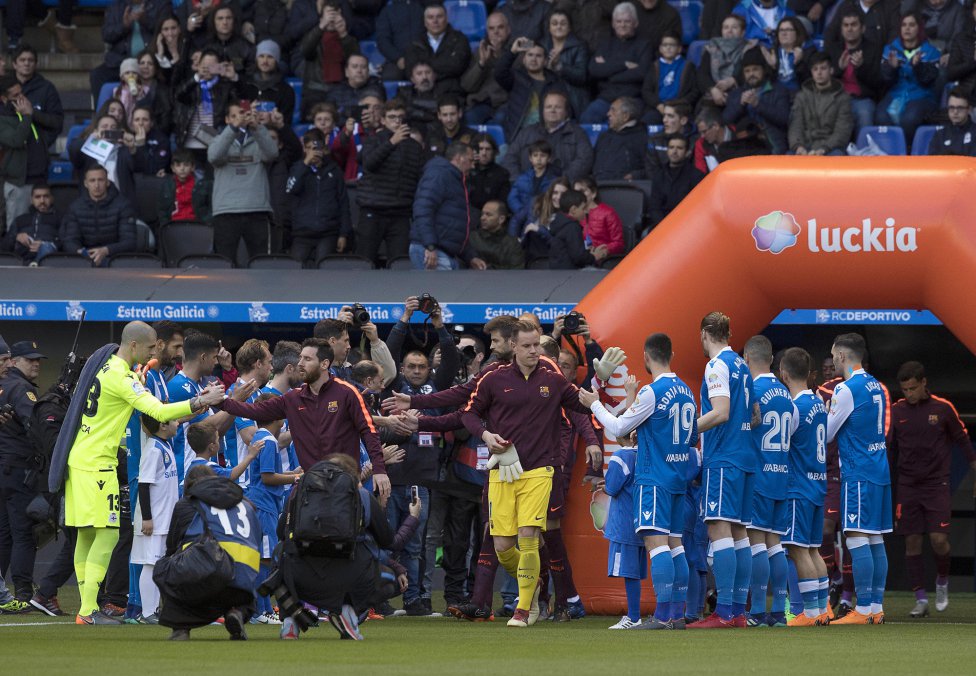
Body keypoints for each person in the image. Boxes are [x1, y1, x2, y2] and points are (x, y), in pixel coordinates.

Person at [61, 321, 225, 625]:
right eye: (151, 347)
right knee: (108, 534)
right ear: (134, 346)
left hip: (80, 457)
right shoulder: (123, 378)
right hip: (97, 462)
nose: (156, 351)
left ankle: (86, 610)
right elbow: (159, 413)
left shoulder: (105, 366)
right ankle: (87, 611)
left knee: (86, 534)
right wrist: (202, 401)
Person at [460, 320, 593, 627]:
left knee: (529, 537)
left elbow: (581, 406)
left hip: (539, 471)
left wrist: (603, 390)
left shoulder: (554, 381)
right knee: (503, 547)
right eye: (528, 346)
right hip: (503, 472)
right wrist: (485, 436)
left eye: (537, 345)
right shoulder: (493, 379)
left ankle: (522, 609)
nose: (535, 351)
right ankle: (529, 588)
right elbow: (468, 413)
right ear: (513, 347)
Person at [582, 332, 698, 629]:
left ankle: (661, 617)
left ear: (646, 357)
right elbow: (692, 436)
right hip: (676, 480)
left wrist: (595, 404)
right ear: (670, 355)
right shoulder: (686, 391)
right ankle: (677, 615)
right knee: (676, 547)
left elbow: (618, 426)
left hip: (654, 479)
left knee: (657, 546)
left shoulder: (652, 391)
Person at [217, 338, 391, 500]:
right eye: (300, 358)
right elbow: (255, 410)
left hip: (344, 487)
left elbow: (369, 430)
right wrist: (221, 402)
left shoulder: (347, 392)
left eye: (307, 359)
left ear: (324, 364)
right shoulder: (293, 398)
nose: (300, 363)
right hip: (310, 489)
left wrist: (379, 469)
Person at [383, 298, 460, 615]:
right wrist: (405, 317)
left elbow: (453, 361)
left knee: (416, 545)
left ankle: (415, 601)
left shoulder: (436, 392)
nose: (416, 371)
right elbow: (387, 353)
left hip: (422, 483)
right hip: (390, 480)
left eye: (421, 367)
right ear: (401, 370)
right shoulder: (394, 387)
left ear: (430, 370)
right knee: (387, 542)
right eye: (410, 367)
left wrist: (439, 324)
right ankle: (381, 599)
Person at [887, 361, 974, 617]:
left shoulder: (943, 408)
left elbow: (963, 440)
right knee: (912, 542)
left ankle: (942, 580)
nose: (909, 394)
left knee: (939, 541)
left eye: (913, 388)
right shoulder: (897, 411)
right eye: (905, 390)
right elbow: (889, 449)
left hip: (937, 484)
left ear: (924, 383)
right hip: (907, 486)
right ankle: (921, 599)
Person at [689, 311, 755, 628]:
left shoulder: (717, 365)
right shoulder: (742, 364)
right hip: (745, 457)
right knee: (740, 535)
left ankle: (725, 613)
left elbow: (721, 412)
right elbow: (754, 415)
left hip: (724, 458)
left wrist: (686, 434)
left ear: (704, 334)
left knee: (719, 529)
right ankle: (737, 611)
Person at [825, 333, 892, 625]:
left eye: (833, 356)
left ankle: (864, 608)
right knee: (874, 537)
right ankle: (874, 606)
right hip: (878, 469)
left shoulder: (846, 389)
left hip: (857, 473)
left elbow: (827, 433)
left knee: (855, 537)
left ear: (841, 356)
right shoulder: (876, 385)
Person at [159, 465, 262, 640]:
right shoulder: (247, 504)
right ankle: (237, 612)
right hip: (241, 583)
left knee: (166, 566)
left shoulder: (187, 504)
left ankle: (181, 626)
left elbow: (172, 546)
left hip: (203, 578)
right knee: (244, 587)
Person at [742, 335, 797, 628]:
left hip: (759, 476)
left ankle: (756, 613)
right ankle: (778, 612)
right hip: (781, 477)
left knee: (756, 544)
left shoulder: (752, 390)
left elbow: (740, 427)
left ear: (747, 359)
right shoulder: (787, 394)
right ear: (772, 360)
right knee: (775, 544)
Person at [778, 347, 831, 627]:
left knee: (799, 551)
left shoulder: (794, 408)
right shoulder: (818, 403)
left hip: (798, 486)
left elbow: (782, 445)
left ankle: (810, 614)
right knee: (812, 550)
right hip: (817, 484)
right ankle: (821, 610)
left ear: (783, 374)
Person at [355, 99, 426, 265]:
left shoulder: (415, 147)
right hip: (373, 211)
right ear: (383, 120)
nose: (397, 121)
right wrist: (392, 142)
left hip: (400, 213)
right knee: (364, 263)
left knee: (400, 264)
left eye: (400, 117)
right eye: (392, 117)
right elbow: (369, 164)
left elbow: (418, 178)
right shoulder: (374, 140)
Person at [0, 340, 45, 603]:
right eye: (30, 359)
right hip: (18, 469)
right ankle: (24, 592)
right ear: (15, 361)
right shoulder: (20, 388)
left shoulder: (6, 386)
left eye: (37, 359)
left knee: (4, 535)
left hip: (5, 469)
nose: (36, 363)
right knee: (22, 533)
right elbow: (34, 425)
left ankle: (4, 592)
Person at [208, 100, 279, 263]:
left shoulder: (259, 138)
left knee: (261, 263)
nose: (240, 119)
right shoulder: (218, 140)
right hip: (226, 211)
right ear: (227, 119)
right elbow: (214, 156)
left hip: (256, 209)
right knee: (225, 264)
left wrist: (257, 127)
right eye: (234, 116)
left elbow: (272, 154)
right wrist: (233, 128)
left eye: (243, 114)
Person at [130, 415, 179, 623]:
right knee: (150, 564)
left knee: (158, 564)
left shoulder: (164, 444)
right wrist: (147, 519)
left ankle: (154, 610)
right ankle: (147, 612)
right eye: (175, 420)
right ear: (163, 425)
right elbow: (143, 484)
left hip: (165, 518)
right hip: (154, 521)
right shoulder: (153, 449)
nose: (178, 423)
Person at [409, 142, 486, 270]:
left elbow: (453, 226)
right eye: (471, 160)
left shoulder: (455, 179)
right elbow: (423, 210)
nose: (473, 166)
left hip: (442, 252)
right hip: (430, 252)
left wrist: (470, 256)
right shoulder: (438, 174)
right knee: (434, 291)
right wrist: (430, 246)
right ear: (458, 158)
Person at [285, 128, 352, 264]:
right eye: (309, 148)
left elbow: (344, 204)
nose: (313, 152)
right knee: (294, 272)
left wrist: (343, 234)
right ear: (304, 149)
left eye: (316, 147)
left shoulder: (334, 171)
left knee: (325, 273)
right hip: (302, 233)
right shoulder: (297, 168)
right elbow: (290, 189)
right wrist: (305, 164)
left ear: (324, 147)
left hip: (328, 233)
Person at [600, 432, 645, 629]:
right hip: (645, 519)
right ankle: (672, 613)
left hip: (624, 522)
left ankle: (634, 617)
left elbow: (612, 487)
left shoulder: (620, 456)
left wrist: (604, 486)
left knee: (629, 572)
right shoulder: (647, 453)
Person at [876, 12, 940, 145]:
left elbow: (928, 81)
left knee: (909, 119)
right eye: (904, 25)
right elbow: (885, 80)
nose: (907, 28)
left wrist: (917, 66)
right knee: (881, 116)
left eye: (912, 25)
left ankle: (908, 153)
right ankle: (889, 153)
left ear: (919, 28)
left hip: (922, 96)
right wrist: (891, 68)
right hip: (895, 94)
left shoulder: (931, 51)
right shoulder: (890, 50)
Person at [581, 2, 651, 123]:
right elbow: (594, 70)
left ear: (635, 23)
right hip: (606, 98)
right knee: (587, 118)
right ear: (613, 24)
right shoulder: (605, 44)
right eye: (618, 21)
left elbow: (642, 72)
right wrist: (624, 65)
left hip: (632, 99)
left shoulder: (644, 45)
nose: (622, 25)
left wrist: (609, 73)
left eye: (627, 21)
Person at [11, 46, 63, 207]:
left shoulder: (46, 88)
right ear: (14, 64)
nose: (26, 63)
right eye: (22, 60)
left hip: (36, 164)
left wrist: (32, 113)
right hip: (9, 161)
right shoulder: (5, 88)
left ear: (36, 64)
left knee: (38, 209)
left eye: (30, 60)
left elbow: (57, 122)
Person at [502, 91, 593, 182]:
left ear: (566, 112)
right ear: (543, 111)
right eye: (548, 107)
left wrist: (561, 182)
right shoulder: (526, 132)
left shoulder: (578, 133)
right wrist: (521, 181)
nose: (552, 110)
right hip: (527, 189)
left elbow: (584, 161)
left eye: (558, 107)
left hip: (562, 190)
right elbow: (510, 159)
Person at [61, 166, 137, 267]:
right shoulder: (76, 207)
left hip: (115, 259)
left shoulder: (123, 205)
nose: (96, 185)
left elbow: (129, 241)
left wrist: (105, 251)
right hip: (85, 259)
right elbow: (70, 240)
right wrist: (80, 252)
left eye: (100, 180)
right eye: (92, 181)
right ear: (85, 184)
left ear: (107, 182)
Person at [723, 46, 791, 155]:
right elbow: (726, 119)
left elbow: (784, 119)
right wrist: (741, 104)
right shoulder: (737, 93)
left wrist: (758, 104)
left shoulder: (778, 90)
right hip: (744, 144)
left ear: (763, 70)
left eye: (755, 69)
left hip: (772, 143)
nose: (751, 74)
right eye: (747, 71)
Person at [495, 40, 563, 145]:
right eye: (530, 55)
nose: (533, 59)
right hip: (518, 137)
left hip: (547, 138)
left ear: (545, 61)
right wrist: (512, 51)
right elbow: (499, 72)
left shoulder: (554, 81)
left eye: (538, 56)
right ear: (524, 60)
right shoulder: (516, 77)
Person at [827, 11, 885, 133]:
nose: (849, 29)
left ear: (862, 28)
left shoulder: (873, 49)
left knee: (865, 115)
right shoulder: (833, 49)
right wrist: (839, 69)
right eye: (846, 25)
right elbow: (822, 80)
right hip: (836, 98)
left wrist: (861, 67)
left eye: (854, 25)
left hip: (862, 99)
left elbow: (879, 82)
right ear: (841, 29)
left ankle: (863, 151)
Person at [788, 52, 854, 156]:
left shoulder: (843, 98)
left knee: (837, 157)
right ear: (811, 72)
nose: (819, 72)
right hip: (805, 147)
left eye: (823, 68)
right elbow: (796, 126)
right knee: (787, 159)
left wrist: (824, 149)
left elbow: (842, 131)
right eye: (815, 69)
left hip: (831, 149)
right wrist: (798, 146)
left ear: (831, 70)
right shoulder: (801, 96)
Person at [403, 3, 471, 98]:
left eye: (439, 16)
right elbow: (410, 70)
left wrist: (427, 67)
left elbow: (457, 67)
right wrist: (444, 64)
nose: (435, 21)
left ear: (446, 19)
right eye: (430, 17)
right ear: (425, 22)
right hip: (421, 94)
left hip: (451, 92)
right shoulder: (415, 42)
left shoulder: (460, 39)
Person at [0, 73, 37, 229]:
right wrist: (28, 116)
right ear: (4, 98)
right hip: (18, 182)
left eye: (22, 93)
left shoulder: (24, 113)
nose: (21, 98)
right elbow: (16, 140)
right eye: (16, 95)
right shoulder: (3, 119)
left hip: (37, 177)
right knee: (17, 230)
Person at [540, 9, 590, 121]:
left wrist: (559, 66)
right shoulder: (541, 45)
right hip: (545, 94)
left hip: (572, 96)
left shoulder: (580, 46)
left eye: (563, 23)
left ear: (570, 27)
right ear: (549, 27)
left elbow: (581, 76)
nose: (558, 27)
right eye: (554, 23)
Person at [647, 134, 704, 229]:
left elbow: (698, 207)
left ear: (687, 152)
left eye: (679, 148)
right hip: (662, 225)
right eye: (671, 147)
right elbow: (654, 207)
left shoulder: (696, 176)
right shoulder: (659, 175)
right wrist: (664, 225)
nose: (674, 151)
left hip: (688, 226)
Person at [641, 31, 697, 125]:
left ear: (679, 49)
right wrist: (658, 104)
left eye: (672, 45)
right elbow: (646, 90)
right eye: (665, 45)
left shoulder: (688, 66)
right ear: (660, 49)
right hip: (659, 108)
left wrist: (679, 104)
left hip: (679, 108)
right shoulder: (654, 66)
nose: (668, 47)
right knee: (646, 122)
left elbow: (694, 91)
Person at [548, 189, 608, 270]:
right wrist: (594, 257)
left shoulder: (559, 223)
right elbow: (578, 257)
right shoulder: (572, 227)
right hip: (571, 273)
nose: (586, 211)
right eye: (583, 208)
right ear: (573, 210)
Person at [698, 14, 749, 108]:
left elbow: (752, 74)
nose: (729, 31)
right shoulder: (712, 48)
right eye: (726, 27)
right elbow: (702, 74)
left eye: (734, 27)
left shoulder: (749, 49)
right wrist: (714, 90)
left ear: (743, 32)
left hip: (740, 97)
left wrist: (734, 80)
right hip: (713, 96)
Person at [241, 40, 297, 126]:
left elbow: (286, 123)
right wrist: (248, 111)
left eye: (270, 57)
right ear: (256, 59)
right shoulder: (246, 86)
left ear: (277, 60)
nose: (265, 61)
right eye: (261, 56)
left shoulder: (286, 91)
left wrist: (274, 121)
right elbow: (241, 115)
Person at [2, 183, 60, 265]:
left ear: (52, 199)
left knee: (46, 247)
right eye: (38, 197)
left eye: (46, 196)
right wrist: (16, 237)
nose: (42, 201)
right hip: (21, 259)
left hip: (47, 260)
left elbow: (65, 241)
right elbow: (4, 246)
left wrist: (45, 244)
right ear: (31, 200)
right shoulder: (20, 220)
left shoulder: (59, 218)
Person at [593, 97, 649, 180]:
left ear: (625, 116)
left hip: (624, 188)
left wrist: (634, 176)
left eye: (613, 110)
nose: (608, 114)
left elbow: (651, 169)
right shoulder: (603, 136)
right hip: (598, 186)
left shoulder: (642, 138)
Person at [157, 148, 212, 229]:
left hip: (197, 226)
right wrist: (166, 227)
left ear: (193, 167)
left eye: (186, 165)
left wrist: (205, 224)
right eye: (178, 165)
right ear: (173, 168)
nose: (182, 168)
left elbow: (210, 208)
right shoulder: (167, 185)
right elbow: (162, 211)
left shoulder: (203, 184)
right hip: (173, 226)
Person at [574, 176, 625, 256]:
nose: (578, 195)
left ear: (593, 193)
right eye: (575, 192)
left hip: (603, 261)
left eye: (582, 191)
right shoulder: (572, 214)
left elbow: (618, 243)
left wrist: (604, 251)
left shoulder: (608, 213)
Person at [375, 0, 426, 80]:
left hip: (424, 59)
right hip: (396, 61)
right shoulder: (387, 11)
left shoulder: (425, 8)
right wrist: (397, 58)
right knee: (389, 78)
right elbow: (382, 40)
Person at [325, 54, 385, 121]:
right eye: (354, 67)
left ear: (368, 72)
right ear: (346, 72)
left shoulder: (376, 87)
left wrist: (345, 112)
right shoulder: (335, 91)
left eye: (363, 67)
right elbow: (329, 116)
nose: (359, 70)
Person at [508, 140, 558, 220]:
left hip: (545, 218)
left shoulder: (554, 181)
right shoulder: (522, 178)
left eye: (543, 155)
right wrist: (521, 211)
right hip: (522, 217)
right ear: (530, 158)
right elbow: (512, 198)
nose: (539, 159)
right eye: (535, 155)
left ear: (549, 158)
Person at [470, 201, 526, 270]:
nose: (482, 218)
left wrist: (488, 268)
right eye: (482, 214)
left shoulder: (512, 244)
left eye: (488, 215)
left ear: (501, 219)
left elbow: (517, 270)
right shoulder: (472, 238)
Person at [763, 17, 810, 92]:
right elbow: (766, 82)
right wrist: (772, 67)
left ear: (797, 32)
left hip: (799, 96)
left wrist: (800, 62)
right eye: (781, 30)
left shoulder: (807, 51)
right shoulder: (772, 52)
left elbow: (809, 81)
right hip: (777, 97)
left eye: (788, 30)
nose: (783, 33)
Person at [467, 133, 511, 210]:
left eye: (488, 149)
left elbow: (502, 204)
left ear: (494, 151)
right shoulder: (466, 171)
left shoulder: (502, 174)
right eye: (480, 149)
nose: (484, 153)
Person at [928, 89, 976, 156]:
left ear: (969, 110)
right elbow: (932, 161)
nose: (955, 112)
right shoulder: (940, 134)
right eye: (951, 107)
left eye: (960, 108)